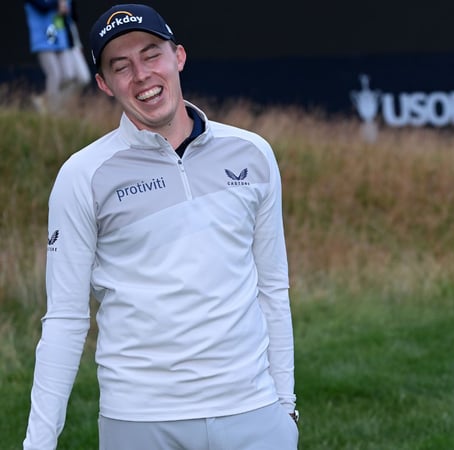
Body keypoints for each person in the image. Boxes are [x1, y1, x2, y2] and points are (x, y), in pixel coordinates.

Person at [23, 4, 298, 449]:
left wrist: (285, 408)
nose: (142, 75)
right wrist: (38, 444)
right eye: (121, 66)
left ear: (179, 57)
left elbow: (273, 289)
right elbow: (65, 320)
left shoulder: (253, 153)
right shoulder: (83, 175)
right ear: (104, 84)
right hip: (139, 421)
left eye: (152, 55)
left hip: (253, 414)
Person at [23, 0, 89, 112]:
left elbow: (70, 15)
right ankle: (52, 110)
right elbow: (42, 7)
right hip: (42, 41)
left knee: (69, 76)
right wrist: (58, 4)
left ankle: (47, 102)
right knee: (54, 74)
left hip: (60, 39)